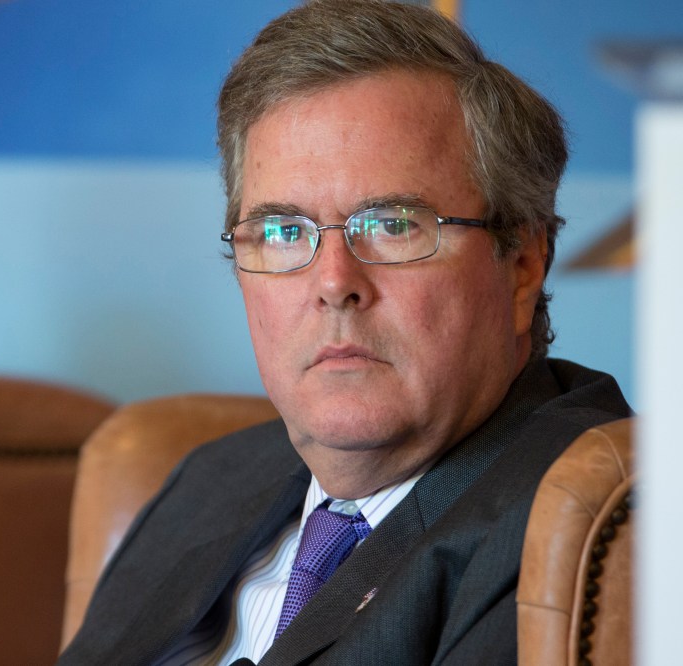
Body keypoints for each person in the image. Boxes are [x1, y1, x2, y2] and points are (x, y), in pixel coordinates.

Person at [59, 1, 632, 664]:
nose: (334, 283)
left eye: (392, 225)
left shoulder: (583, 522)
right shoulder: (208, 483)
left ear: (522, 267)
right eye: (282, 232)